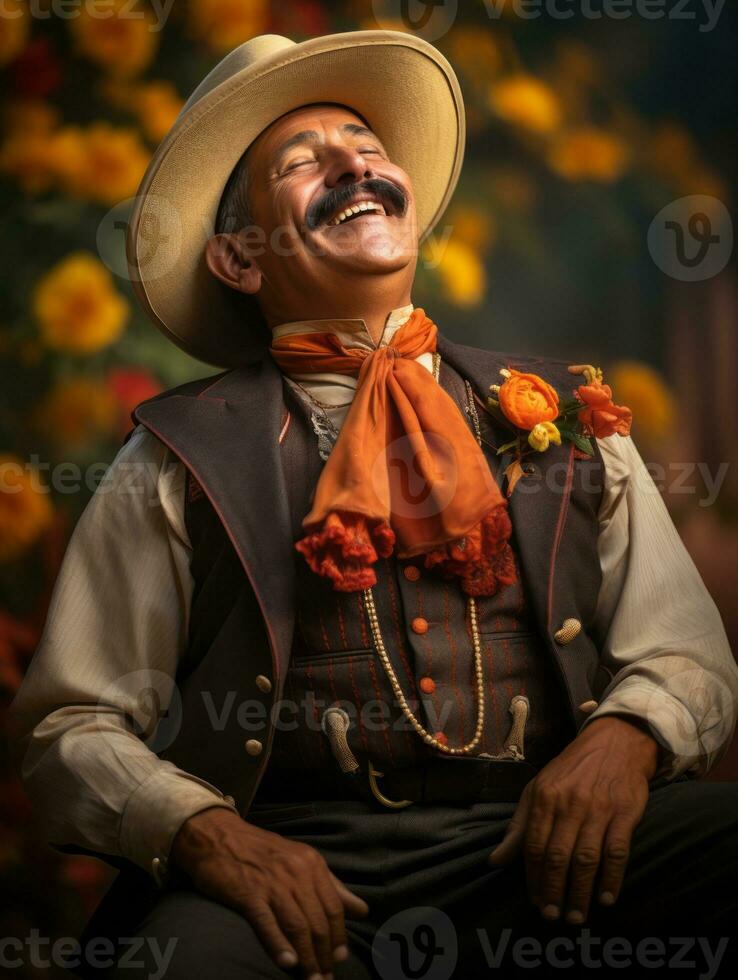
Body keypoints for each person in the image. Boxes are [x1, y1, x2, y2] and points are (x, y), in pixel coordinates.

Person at [10, 30, 738, 980]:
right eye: (304, 163)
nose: (356, 161)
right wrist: (204, 835)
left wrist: (626, 738)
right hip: (295, 879)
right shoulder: (176, 456)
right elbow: (68, 730)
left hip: (537, 860)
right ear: (238, 256)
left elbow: (686, 651)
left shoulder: (569, 413)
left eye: (365, 144)